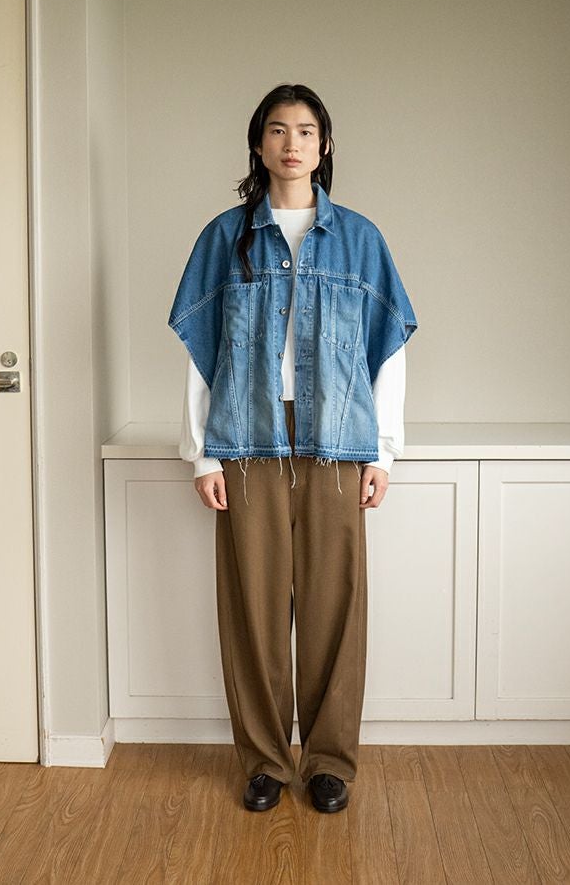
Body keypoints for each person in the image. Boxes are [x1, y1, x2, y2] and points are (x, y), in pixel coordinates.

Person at [168, 83, 418, 813]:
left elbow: (388, 352)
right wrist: (202, 454)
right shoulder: (225, 239)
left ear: (324, 145)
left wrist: (385, 452)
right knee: (252, 605)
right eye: (278, 130)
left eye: (306, 131)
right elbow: (201, 353)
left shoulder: (360, 240)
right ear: (259, 143)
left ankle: (330, 761)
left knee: (335, 604)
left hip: (338, 438)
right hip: (247, 437)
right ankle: (266, 762)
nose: (291, 144)